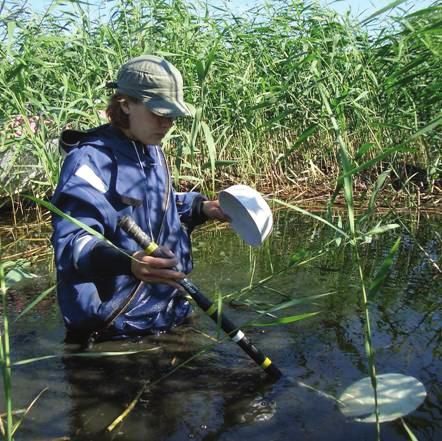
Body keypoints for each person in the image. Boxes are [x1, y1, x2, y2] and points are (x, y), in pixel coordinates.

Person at [51, 55, 228, 343]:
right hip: (114, 329)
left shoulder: (151, 148)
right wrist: (129, 261)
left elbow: (161, 206)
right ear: (125, 104)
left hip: (169, 312)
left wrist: (202, 208)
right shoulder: (89, 161)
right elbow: (73, 244)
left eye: (172, 115)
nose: (167, 123)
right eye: (159, 113)